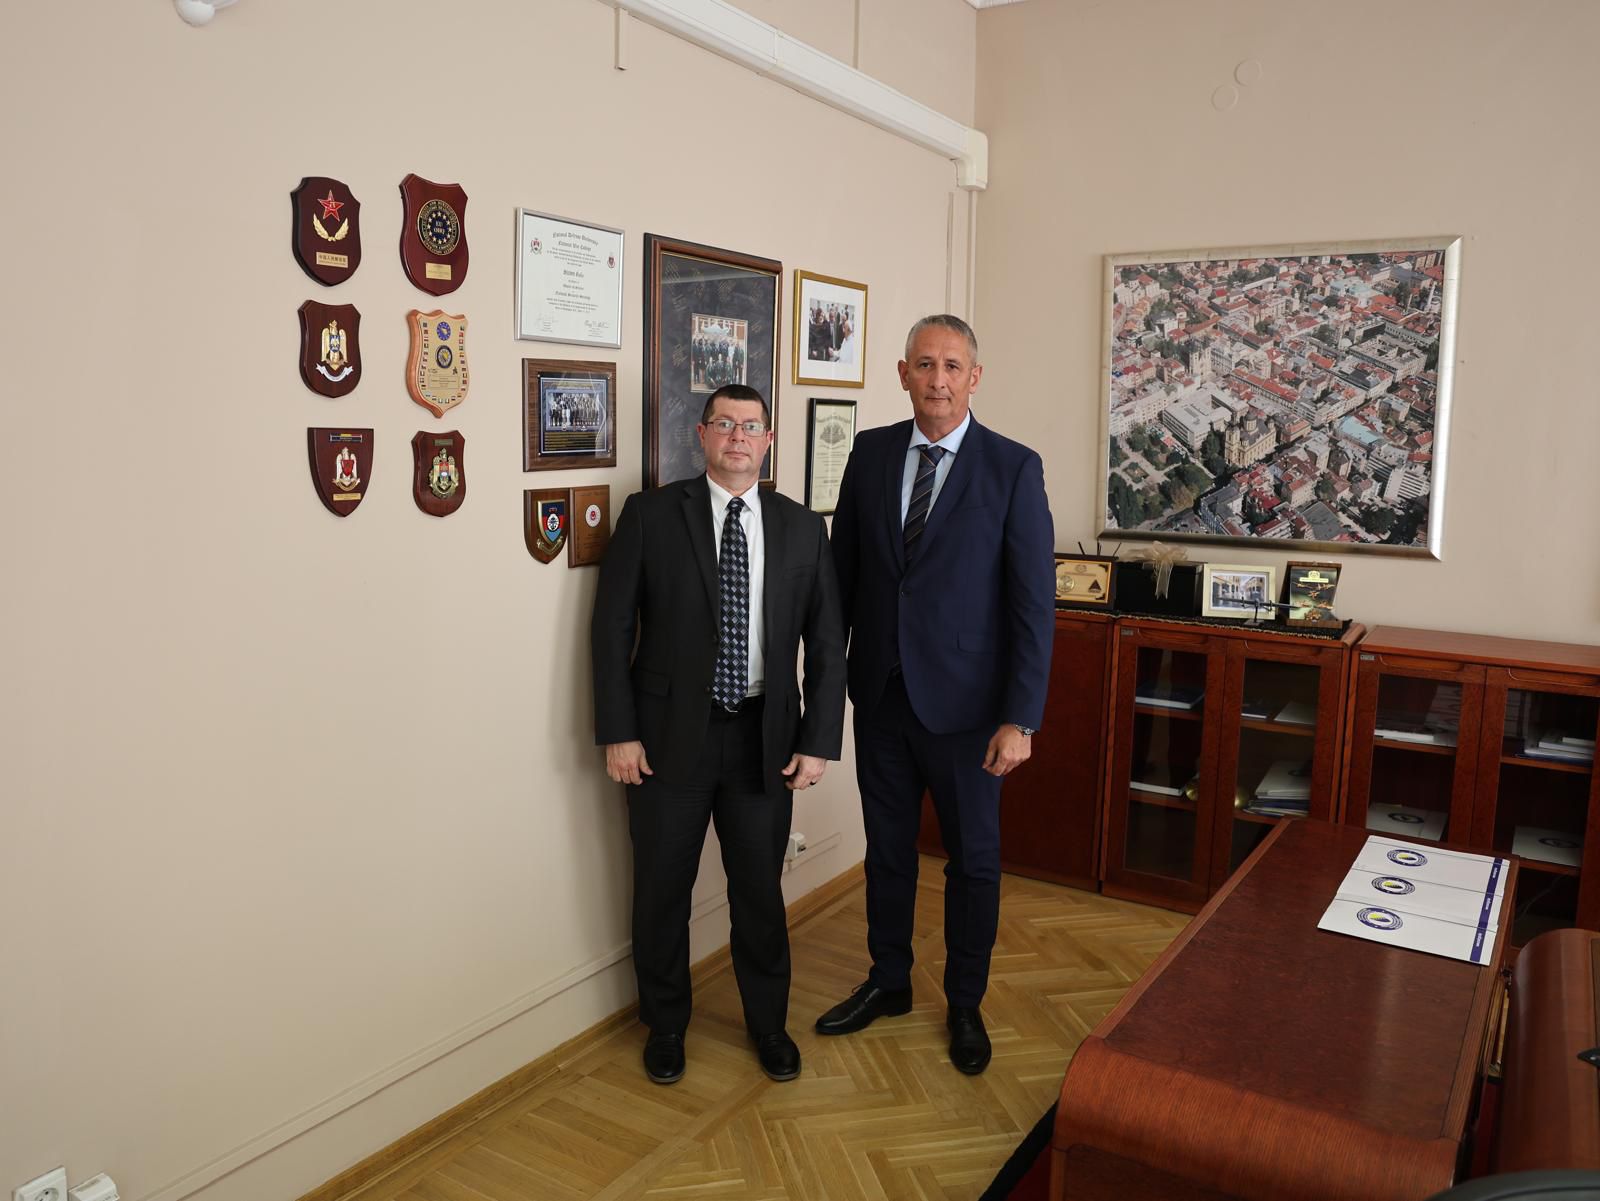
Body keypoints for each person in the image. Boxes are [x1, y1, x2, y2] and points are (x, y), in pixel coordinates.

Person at [815, 314, 1055, 1075]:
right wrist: (825, 693)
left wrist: (1020, 718)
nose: (939, 379)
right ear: (902, 374)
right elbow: (841, 580)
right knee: (887, 853)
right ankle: (888, 980)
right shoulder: (870, 452)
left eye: (953, 366)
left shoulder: (1012, 468)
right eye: (925, 364)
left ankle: (964, 1003)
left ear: (974, 378)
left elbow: (1032, 606)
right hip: (881, 697)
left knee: (973, 863)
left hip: (970, 712)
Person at [591, 384, 847, 1086]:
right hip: (666, 739)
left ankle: (769, 1025)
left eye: (751, 426)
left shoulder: (802, 528)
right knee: (661, 890)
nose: (738, 437)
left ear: (768, 441)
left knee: (759, 893)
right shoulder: (650, 515)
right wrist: (619, 731)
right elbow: (611, 630)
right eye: (725, 424)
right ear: (701, 435)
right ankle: (666, 1024)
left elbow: (828, 644)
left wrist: (818, 739)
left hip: (765, 739)